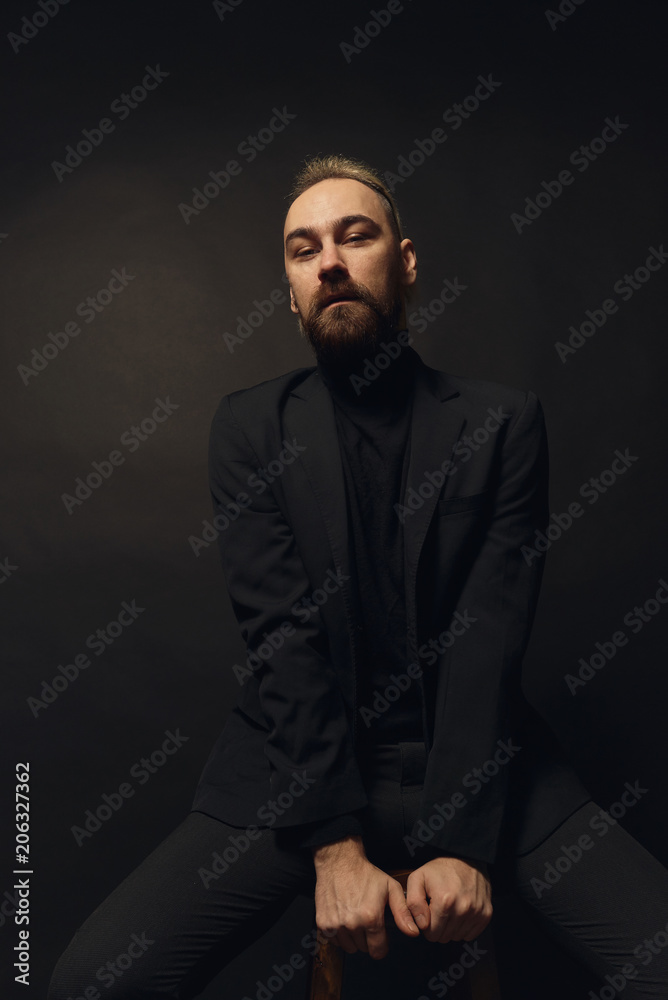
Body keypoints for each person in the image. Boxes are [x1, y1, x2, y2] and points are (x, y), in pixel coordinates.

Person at [48, 156, 668, 999]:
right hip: (297, 773)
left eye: (355, 235)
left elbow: (489, 636)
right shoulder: (250, 428)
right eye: (304, 250)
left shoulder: (501, 423)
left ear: (404, 263)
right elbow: (286, 644)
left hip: (479, 758)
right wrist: (335, 848)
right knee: (89, 981)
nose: (330, 260)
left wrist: (459, 841)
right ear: (292, 291)